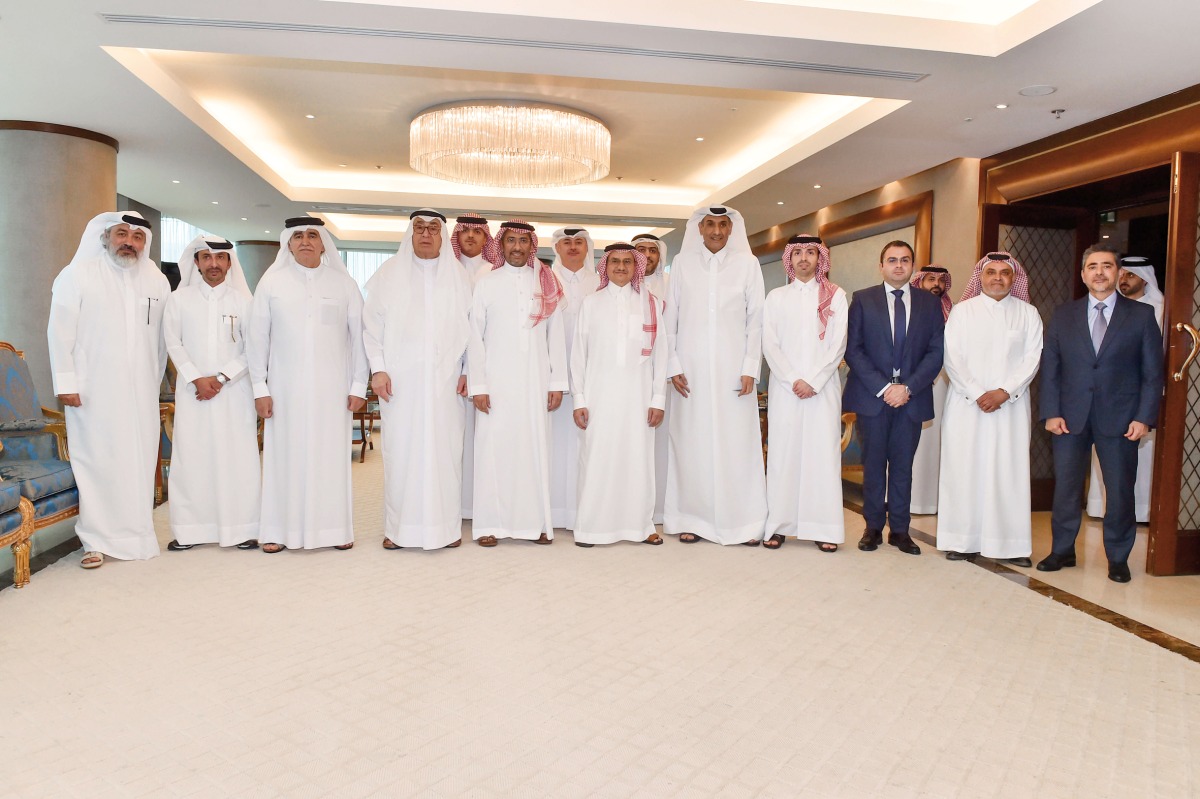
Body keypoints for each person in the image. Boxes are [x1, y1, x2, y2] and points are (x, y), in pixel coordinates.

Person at [47, 211, 170, 568]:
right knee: (97, 462)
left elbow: (161, 342)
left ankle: (138, 535)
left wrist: (152, 382)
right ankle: (95, 540)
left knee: (139, 461)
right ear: (106, 237)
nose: (129, 242)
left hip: (141, 391)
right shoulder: (77, 275)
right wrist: (66, 382)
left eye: (137, 237)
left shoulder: (157, 281)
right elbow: (59, 332)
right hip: (92, 389)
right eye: (122, 234)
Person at [1038, 243, 1163, 583]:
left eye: (1107, 266)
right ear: (1083, 275)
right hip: (1069, 417)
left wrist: (1144, 416)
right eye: (1092, 266)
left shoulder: (1140, 315)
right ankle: (1062, 550)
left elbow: (1153, 373)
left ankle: (1118, 558)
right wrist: (1050, 411)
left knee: (1120, 490)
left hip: (1122, 418)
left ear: (1117, 272)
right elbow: (1051, 366)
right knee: (1065, 488)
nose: (1099, 272)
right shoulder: (1064, 314)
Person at [246, 217, 369, 553]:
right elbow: (256, 340)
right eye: (298, 236)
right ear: (288, 242)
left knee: (330, 458)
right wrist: (260, 387)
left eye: (312, 235)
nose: (305, 241)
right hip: (284, 390)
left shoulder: (344, 285)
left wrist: (359, 384)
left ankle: (334, 530)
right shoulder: (271, 284)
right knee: (282, 458)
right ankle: (276, 530)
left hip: (333, 390)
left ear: (323, 242)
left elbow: (360, 338)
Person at [364, 210, 472, 550]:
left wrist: (469, 370)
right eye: (420, 229)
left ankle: (446, 530)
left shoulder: (460, 278)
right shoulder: (388, 275)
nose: (426, 234)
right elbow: (372, 328)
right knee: (401, 452)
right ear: (410, 234)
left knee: (446, 453)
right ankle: (399, 530)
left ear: (443, 236)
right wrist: (378, 369)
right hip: (400, 382)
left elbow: (473, 331)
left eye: (434, 229)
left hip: (447, 381)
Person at [664, 205, 767, 545]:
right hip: (690, 372)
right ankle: (692, 519)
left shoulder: (748, 265)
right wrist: (674, 365)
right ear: (699, 228)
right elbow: (671, 319)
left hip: (734, 371)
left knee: (737, 445)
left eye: (723, 225)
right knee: (691, 443)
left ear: (731, 229)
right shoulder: (682, 264)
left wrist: (751, 366)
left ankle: (745, 522)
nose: (717, 231)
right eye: (710, 224)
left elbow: (756, 321)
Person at [936, 253, 1042, 566]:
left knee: (1007, 473)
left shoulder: (1028, 313)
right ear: (980, 277)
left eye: (1005, 273)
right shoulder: (962, 312)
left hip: (1010, 406)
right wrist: (978, 392)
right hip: (967, 405)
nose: (997, 278)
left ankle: (1009, 545)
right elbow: (951, 357)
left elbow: (1033, 357)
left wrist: (1003, 392)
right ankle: (961, 540)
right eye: (991, 272)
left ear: (1014, 278)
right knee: (963, 470)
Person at [468, 220, 568, 546]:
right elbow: (475, 339)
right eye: (510, 240)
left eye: (523, 242)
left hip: (536, 381)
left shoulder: (547, 282)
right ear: (501, 244)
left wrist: (557, 382)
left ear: (532, 246)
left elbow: (557, 336)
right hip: (496, 383)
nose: (517, 247)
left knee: (534, 449)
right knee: (493, 452)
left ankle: (535, 523)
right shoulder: (486, 283)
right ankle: (489, 526)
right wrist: (479, 386)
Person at [843, 240, 945, 555]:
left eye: (904, 260)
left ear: (912, 266)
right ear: (881, 265)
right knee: (873, 464)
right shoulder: (862, 300)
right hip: (873, 398)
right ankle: (872, 527)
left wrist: (907, 388)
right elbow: (853, 350)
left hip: (911, 399)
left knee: (903, 465)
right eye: (892, 260)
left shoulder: (930, 304)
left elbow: (936, 352)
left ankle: (900, 530)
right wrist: (884, 388)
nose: (898, 265)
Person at [162, 235, 260, 551]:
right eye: (206, 258)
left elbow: (254, 348)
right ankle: (191, 531)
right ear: (196, 263)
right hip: (193, 394)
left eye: (220, 258)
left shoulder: (245, 302)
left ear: (230, 262)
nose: (213, 264)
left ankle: (242, 529)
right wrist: (196, 379)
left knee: (238, 458)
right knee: (192, 458)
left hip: (234, 392)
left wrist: (221, 377)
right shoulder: (179, 300)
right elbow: (173, 343)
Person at [570, 243, 667, 547]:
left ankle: (641, 525)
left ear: (636, 267)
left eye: (628, 262)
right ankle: (591, 527)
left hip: (638, 400)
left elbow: (661, 355)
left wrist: (657, 399)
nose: (622, 267)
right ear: (605, 266)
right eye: (615, 262)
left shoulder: (650, 303)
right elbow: (578, 356)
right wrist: (579, 399)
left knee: (638, 460)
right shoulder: (591, 303)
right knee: (597, 459)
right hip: (599, 398)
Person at [762, 235, 848, 552]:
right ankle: (779, 525)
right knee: (784, 455)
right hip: (786, 391)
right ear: (789, 258)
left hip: (822, 390)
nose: (803, 259)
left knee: (822, 456)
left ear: (820, 258)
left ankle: (823, 527)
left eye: (810, 253)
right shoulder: (776, 297)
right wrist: (792, 379)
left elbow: (839, 343)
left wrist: (812, 380)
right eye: (797, 253)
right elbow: (769, 343)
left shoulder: (835, 296)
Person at [1086, 256, 1165, 524]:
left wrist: (1145, 413)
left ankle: (1143, 513)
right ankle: (1099, 508)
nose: (1124, 280)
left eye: (1130, 275)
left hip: (1133, 405)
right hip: (1097, 406)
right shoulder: (1101, 308)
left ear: (1145, 278)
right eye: (1123, 275)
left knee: (1132, 472)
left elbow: (1154, 366)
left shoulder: (1157, 310)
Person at [549, 227, 599, 532]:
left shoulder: (600, 283)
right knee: (553, 446)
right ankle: (553, 513)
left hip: (591, 379)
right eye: (566, 242)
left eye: (579, 242)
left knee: (586, 447)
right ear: (556, 247)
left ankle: (584, 512)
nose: (572, 247)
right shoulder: (542, 279)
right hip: (551, 378)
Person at [450, 213, 494, 521]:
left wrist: (473, 369)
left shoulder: (495, 271)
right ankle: (459, 506)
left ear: (486, 238)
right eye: (463, 231)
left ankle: (482, 506)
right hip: (450, 369)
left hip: (488, 369)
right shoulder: (444, 270)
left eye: (476, 232)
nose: (470, 237)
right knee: (455, 439)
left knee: (486, 439)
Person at [633, 232, 672, 524]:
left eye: (652, 250)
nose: (647, 255)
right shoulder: (616, 286)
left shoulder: (670, 286)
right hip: (632, 381)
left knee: (664, 447)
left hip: (667, 378)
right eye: (640, 250)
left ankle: (661, 510)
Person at [908, 265, 952, 516]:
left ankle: (933, 501)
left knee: (938, 444)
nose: (936, 284)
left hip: (944, 384)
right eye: (930, 279)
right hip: (913, 385)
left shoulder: (952, 310)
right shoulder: (911, 307)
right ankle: (910, 501)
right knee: (914, 445)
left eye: (940, 280)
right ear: (920, 281)